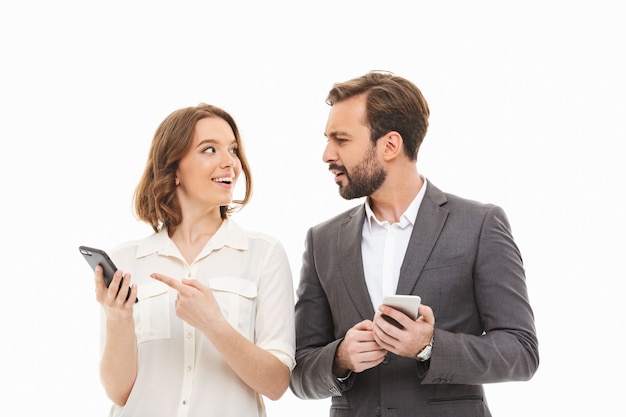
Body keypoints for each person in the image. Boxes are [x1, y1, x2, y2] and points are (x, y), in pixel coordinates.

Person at [289, 71, 539, 416]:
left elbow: (521, 352)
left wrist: (430, 346)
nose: (327, 154)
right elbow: (299, 370)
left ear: (390, 145)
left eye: (341, 140)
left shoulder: (479, 225)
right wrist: (341, 357)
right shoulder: (322, 241)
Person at [93, 103, 295, 417]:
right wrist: (117, 319)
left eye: (233, 149)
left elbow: (276, 383)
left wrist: (214, 325)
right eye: (210, 150)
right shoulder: (126, 260)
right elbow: (119, 392)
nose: (230, 162)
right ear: (174, 169)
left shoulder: (263, 254)